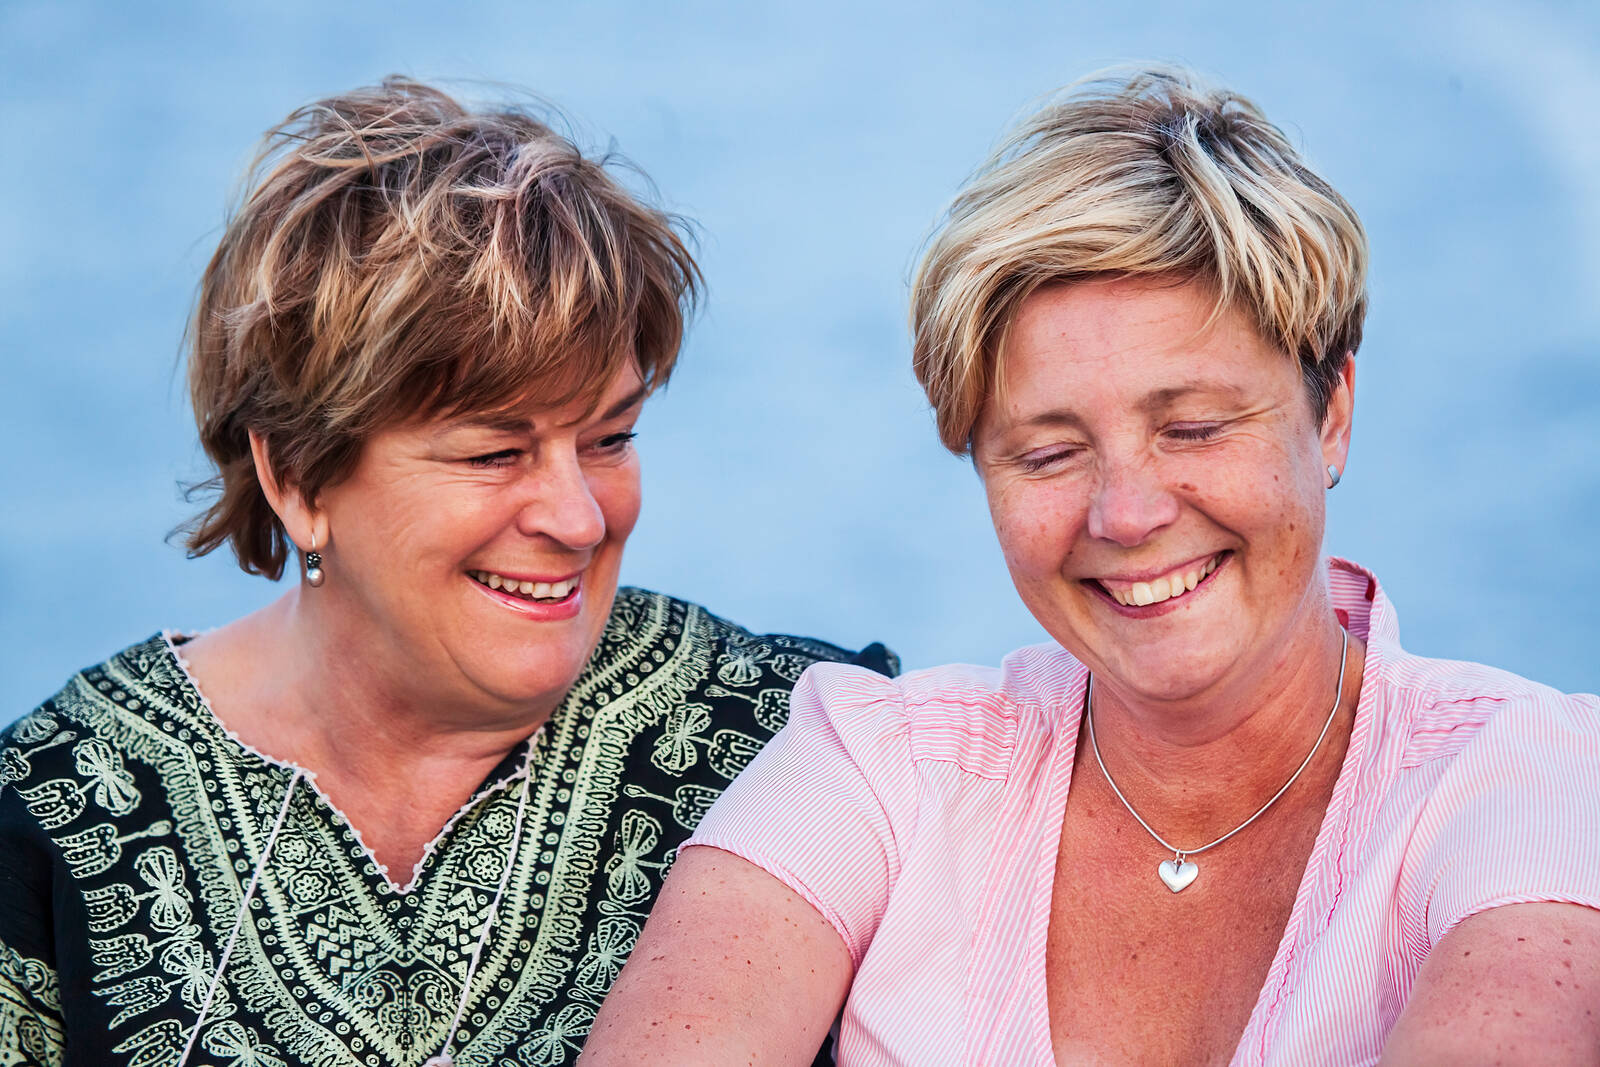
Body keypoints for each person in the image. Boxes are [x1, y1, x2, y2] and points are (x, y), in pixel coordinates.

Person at [582, 66, 1600, 1065]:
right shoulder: (877, 765)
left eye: (1193, 427)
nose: (1126, 513)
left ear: (1329, 411)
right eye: (1048, 454)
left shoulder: (1532, 776)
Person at [0, 78, 894, 1067]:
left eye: (610, 437)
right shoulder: (52, 805)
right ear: (296, 477)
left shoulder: (810, 745)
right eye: (494, 453)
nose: (579, 517)